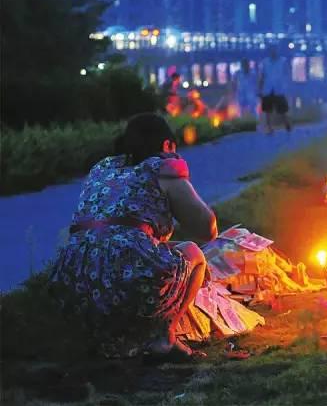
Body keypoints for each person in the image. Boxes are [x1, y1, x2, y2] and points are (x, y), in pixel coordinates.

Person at [49, 113, 217, 360]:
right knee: (193, 253)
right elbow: (207, 229)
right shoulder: (163, 167)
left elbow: (113, 232)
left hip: (73, 282)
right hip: (126, 278)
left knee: (129, 253)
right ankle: (166, 340)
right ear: (168, 145)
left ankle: (109, 340)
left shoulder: (103, 169)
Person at [258, 46, 292, 133]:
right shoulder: (265, 62)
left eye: (275, 50)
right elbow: (262, 76)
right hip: (268, 88)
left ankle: (287, 124)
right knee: (267, 110)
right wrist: (260, 88)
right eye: (271, 51)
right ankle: (269, 127)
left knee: (282, 109)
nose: (273, 52)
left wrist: (286, 86)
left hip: (279, 88)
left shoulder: (283, 61)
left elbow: (287, 74)